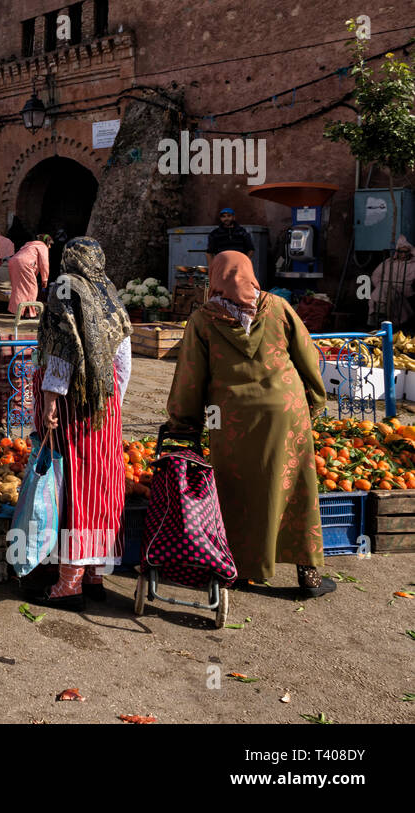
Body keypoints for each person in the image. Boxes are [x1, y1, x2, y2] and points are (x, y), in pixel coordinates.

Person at [165, 250, 334, 597]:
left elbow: (191, 377)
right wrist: (315, 400)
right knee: (296, 489)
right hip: (286, 410)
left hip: (232, 418)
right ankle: (309, 575)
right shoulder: (277, 307)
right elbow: (306, 354)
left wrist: (184, 422)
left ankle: (242, 570)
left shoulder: (203, 319)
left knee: (237, 492)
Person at [25, 237, 133, 610]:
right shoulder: (110, 294)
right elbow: (123, 359)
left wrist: (52, 400)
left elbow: (61, 350)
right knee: (104, 487)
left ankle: (67, 586)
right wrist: (113, 401)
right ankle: (95, 577)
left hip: (74, 406)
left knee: (76, 490)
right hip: (105, 406)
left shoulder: (64, 290)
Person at [368, 235, 415, 330]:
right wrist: (382, 286)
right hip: (384, 289)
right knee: (382, 290)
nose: (403, 254)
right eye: (401, 251)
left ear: (410, 252)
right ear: (397, 252)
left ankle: (378, 317)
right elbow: (375, 275)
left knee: (384, 292)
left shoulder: (413, 265)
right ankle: (381, 316)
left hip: (402, 291)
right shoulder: (389, 262)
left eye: (406, 252)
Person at [8, 236, 50, 318]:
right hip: (24, 264)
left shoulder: (29, 245)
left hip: (13, 262)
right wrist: (45, 279)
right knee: (32, 288)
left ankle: (19, 312)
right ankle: (30, 313)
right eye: (50, 244)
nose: (50, 246)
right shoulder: (42, 246)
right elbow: (44, 264)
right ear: (46, 242)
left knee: (18, 288)